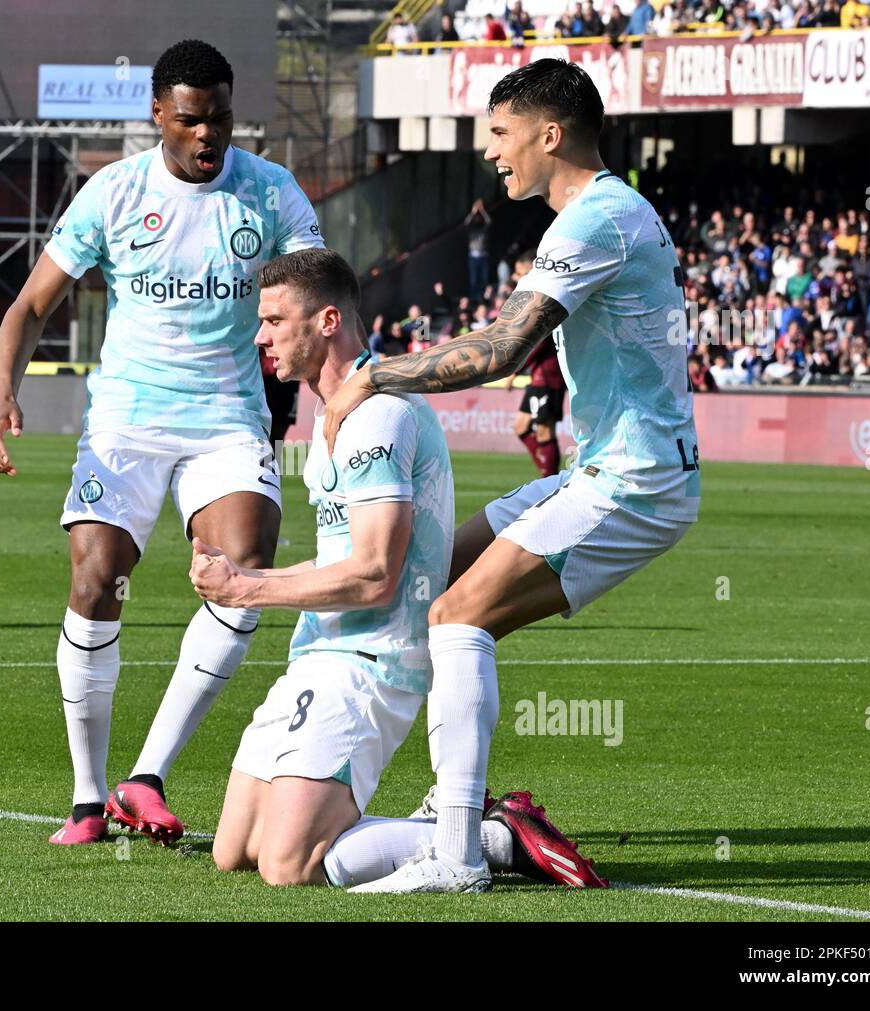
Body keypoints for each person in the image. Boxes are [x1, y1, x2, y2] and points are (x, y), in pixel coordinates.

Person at [322, 59, 696, 892]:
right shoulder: (604, 214)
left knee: (458, 617)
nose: (491, 152)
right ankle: (459, 803)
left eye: (499, 133)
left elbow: (498, 350)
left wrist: (374, 375)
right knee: (437, 576)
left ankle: (455, 853)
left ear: (549, 133)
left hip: (635, 480)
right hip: (601, 465)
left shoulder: (598, 218)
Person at [0, 40, 324, 846]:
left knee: (242, 568)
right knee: (98, 578)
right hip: (127, 422)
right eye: (192, 120)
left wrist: (345, 394)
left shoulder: (271, 193)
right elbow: (32, 306)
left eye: (222, 119)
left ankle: (146, 775)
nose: (209, 136)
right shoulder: (114, 191)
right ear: (158, 117)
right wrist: (4, 392)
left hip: (226, 417)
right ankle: (85, 797)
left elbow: (319, 291)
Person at [197, 248, 600, 892]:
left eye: (273, 319)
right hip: (319, 654)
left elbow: (373, 575)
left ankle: (488, 835)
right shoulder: (331, 418)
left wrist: (247, 587)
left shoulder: (379, 415)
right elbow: (341, 560)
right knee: (232, 851)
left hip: (371, 664)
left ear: (327, 320)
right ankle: (458, 830)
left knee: (287, 865)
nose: (260, 335)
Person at [506, 331, 566, 477]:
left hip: (550, 381)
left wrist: (516, 371)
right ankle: (546, 468)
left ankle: (550, 477)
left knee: (545, 431)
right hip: (538, 380)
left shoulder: (551, 318)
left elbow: (537, 346)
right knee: (520, 427)